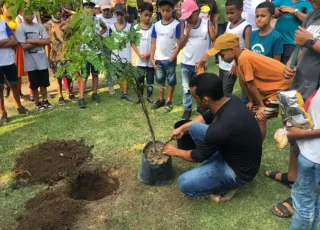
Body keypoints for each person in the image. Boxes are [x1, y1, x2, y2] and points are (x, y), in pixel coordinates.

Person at [163, 73, 262, 198]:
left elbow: (197, 156)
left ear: (205, 99)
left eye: (195, 97)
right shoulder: (229, 99)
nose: (194, 99)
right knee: (193, 127)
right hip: (237, 153)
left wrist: (175, 151)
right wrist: (181, 129)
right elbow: (205, 117)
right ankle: (214, 163)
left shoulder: (220, 128)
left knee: (184, 183)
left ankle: (228, 186)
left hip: (239, 172)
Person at [266, 0, 320, 219]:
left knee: (310, 143)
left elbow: (307, 42)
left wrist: (312, 42)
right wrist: (290, 66)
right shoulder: (313, 15)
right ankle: (292, 176)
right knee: (293, 131)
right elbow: (299, 47)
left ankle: (301, 191)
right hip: (300, 85)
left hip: (315, 94)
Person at [207, 33, 292, 140]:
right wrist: (251, 100)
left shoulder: (244, 59)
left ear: (232, 50)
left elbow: (251, 84)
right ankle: (251, 140)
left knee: (260, 117)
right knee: (250, 113)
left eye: (222, 55)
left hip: (280, 88)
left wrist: (261, 105)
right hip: (271, 90)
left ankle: (257, 146)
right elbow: (243, 83)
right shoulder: (239, 59)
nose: (222, 59)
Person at [202, 0, 251, 96]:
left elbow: (246, 49)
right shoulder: (229, 24)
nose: (229, 16)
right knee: (220, 91)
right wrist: (207, 54)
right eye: (227, 13)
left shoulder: (246, 27)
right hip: (223, 63)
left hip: (232, 67)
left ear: (241, 10)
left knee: (225, 94)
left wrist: (235, 65)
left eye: (232, 13)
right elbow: (221, 41)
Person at [179, 0, 216, 120]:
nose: (188, 19)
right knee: (186, 88)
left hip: (199, 64)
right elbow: (180, 45)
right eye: (186, 17)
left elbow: (215, 41)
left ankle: (202, 107)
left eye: (190, 16)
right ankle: (187, 108)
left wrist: (207, 56)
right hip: (186, 62)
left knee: (201, 87)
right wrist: (187, 33)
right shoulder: (185, 26)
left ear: (197, 12)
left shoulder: (207, 23)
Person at [16, 9, 53, 111]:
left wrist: (30, 40)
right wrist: (39, 41)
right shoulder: (20, 28)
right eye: (27, 13)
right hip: (31, 63)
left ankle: (45, 101)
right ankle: (37, 103)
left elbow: (47, 41)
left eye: (31, 13)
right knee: (34, 85)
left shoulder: (39, 26)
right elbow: (23, 46)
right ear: (22, 14)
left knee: (44, 84)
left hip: (42, 61)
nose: (30, 16)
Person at [150, 0, 181, 112]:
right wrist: (151, 57)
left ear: (173, 10)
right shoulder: (156, 25)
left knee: (171, 81)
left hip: (170, 59)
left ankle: (169, 100)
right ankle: (161, 99)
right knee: (160, 80)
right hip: (158, 59)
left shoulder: (176, 25)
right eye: (163, 10)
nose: (165, 13)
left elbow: (179, 43)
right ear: (159, 10)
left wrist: (172, 57)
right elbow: (153, 43)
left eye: (168, 10)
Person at [44, 8, 77, 105]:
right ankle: (60, 96)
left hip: (68, 54)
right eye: (56, 11)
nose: (58, 12)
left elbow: (72, 38)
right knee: (58, 76)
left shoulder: (66, 23)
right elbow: (47, 43)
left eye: (59, 11)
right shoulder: (47, 25)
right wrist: (48, 57)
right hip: (55, 55)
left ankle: (71, 93)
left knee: (70, 75)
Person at [78, 0, 107, 109]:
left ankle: (95, 93)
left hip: (96, 52)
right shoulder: (80, 21)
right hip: (85, 53)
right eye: (87, 7)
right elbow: (73, 33)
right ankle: (81, 98)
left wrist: (99, 35)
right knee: (84, 75)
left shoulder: (97, 19)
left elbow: (105, 28)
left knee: (95, 74)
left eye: (91, 7)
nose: (89, 9)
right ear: (83, 8)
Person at [0, 19, 29, 124]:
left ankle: (19, 107)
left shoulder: (3, 23)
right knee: (0, 88)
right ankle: (3, 112)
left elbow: (15, 41)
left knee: (14, 85)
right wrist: (7, 40)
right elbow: (10, 40)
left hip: (9, 61)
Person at [272, 0, 312, 64]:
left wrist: (295, 11)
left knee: (286, 67)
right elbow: (268, 7)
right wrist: (275, 10)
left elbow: (310, 20)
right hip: (276, 40)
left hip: (292, 43)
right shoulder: (281, 1)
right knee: (273, 65)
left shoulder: (308, 3)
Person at [16, 7, 43, 102]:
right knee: (30, 70)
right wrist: (37, 40)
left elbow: (41, 30)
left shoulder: (36, 16)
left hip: (38, 47)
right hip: (27, 48)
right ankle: (32, 93)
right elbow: (22, 34)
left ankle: (42, 94)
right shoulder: (19, 17)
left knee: (39, 69)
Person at [109, 3, 134, 103]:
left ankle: (125, 93)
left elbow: (133, 41)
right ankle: (122, 91)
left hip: (126, 55)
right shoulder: (112, 27)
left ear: (125, 15)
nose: (119, 16)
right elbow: (110, 41)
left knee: (126, 75)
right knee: (119, 75)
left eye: (121, 14)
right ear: (114, 14)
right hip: (115, 56)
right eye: (117, 14)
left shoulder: (129, 27)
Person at [132, 2, 155, 104]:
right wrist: (139, 54)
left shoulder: (154, 27)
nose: (147, 18)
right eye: (145, 15)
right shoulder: (135, 28)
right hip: (140, 59)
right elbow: (132, 42)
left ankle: (149, 96)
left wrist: (149, 54)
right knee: (139, 79)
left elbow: (156, 43)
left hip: (150, 59)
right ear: (140, 13)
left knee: (150, 79)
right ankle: (140, 97)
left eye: (150, 15)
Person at [97, 0, 116, 94]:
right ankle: (95, 88)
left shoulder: (115, 18)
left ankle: (110, 86)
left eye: (107, 9)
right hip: (99, 45)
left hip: (112, 45)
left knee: (109, 66)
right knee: (98, 66)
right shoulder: (97, 18)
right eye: (104, 10)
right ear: (101, 9)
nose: (106, 12)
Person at [215, 0, 228, 64]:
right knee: (219, 41)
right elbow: (215, 14)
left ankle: (225, 56)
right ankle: (217, 58)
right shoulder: (216, 1)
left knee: (226, 40)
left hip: (227, 22)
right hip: (219, 23)